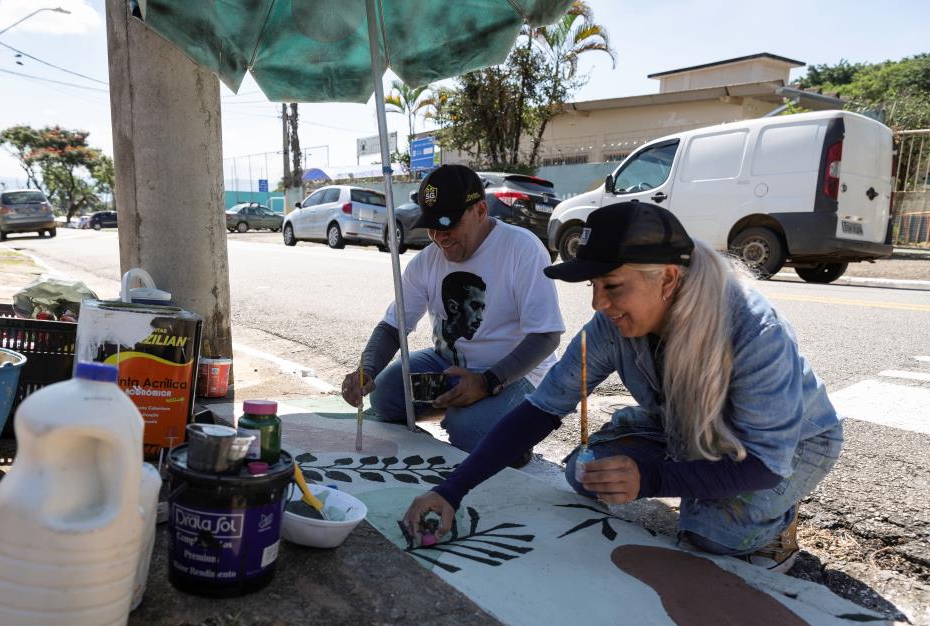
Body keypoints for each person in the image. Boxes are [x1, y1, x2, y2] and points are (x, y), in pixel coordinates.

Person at [403, 202, 843, 572]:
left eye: (612, 285)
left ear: (668, 278)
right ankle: (688, 470)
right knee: (586, 472)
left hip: (783, 446)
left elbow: (765, 462)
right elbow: (541, 409)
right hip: (680, 424)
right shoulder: (610, 326)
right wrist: (450, 490)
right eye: (594, 286)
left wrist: (650, 476)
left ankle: (777, 521)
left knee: (711, 537)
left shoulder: (754, 332)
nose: (598, 303)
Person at [341, 164, 565, 459]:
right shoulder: (426, 261)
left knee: (468, 431)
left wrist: (487, 383)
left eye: (448, 224)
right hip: (449, 366)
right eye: (432, 226)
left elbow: (546, 336)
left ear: (481, 211)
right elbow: (393, 326)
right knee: (386, 396)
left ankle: (509, 431)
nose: (440, 236)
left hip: (519, 374)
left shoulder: (521, 249)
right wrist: (366, 369)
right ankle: (474, 410)